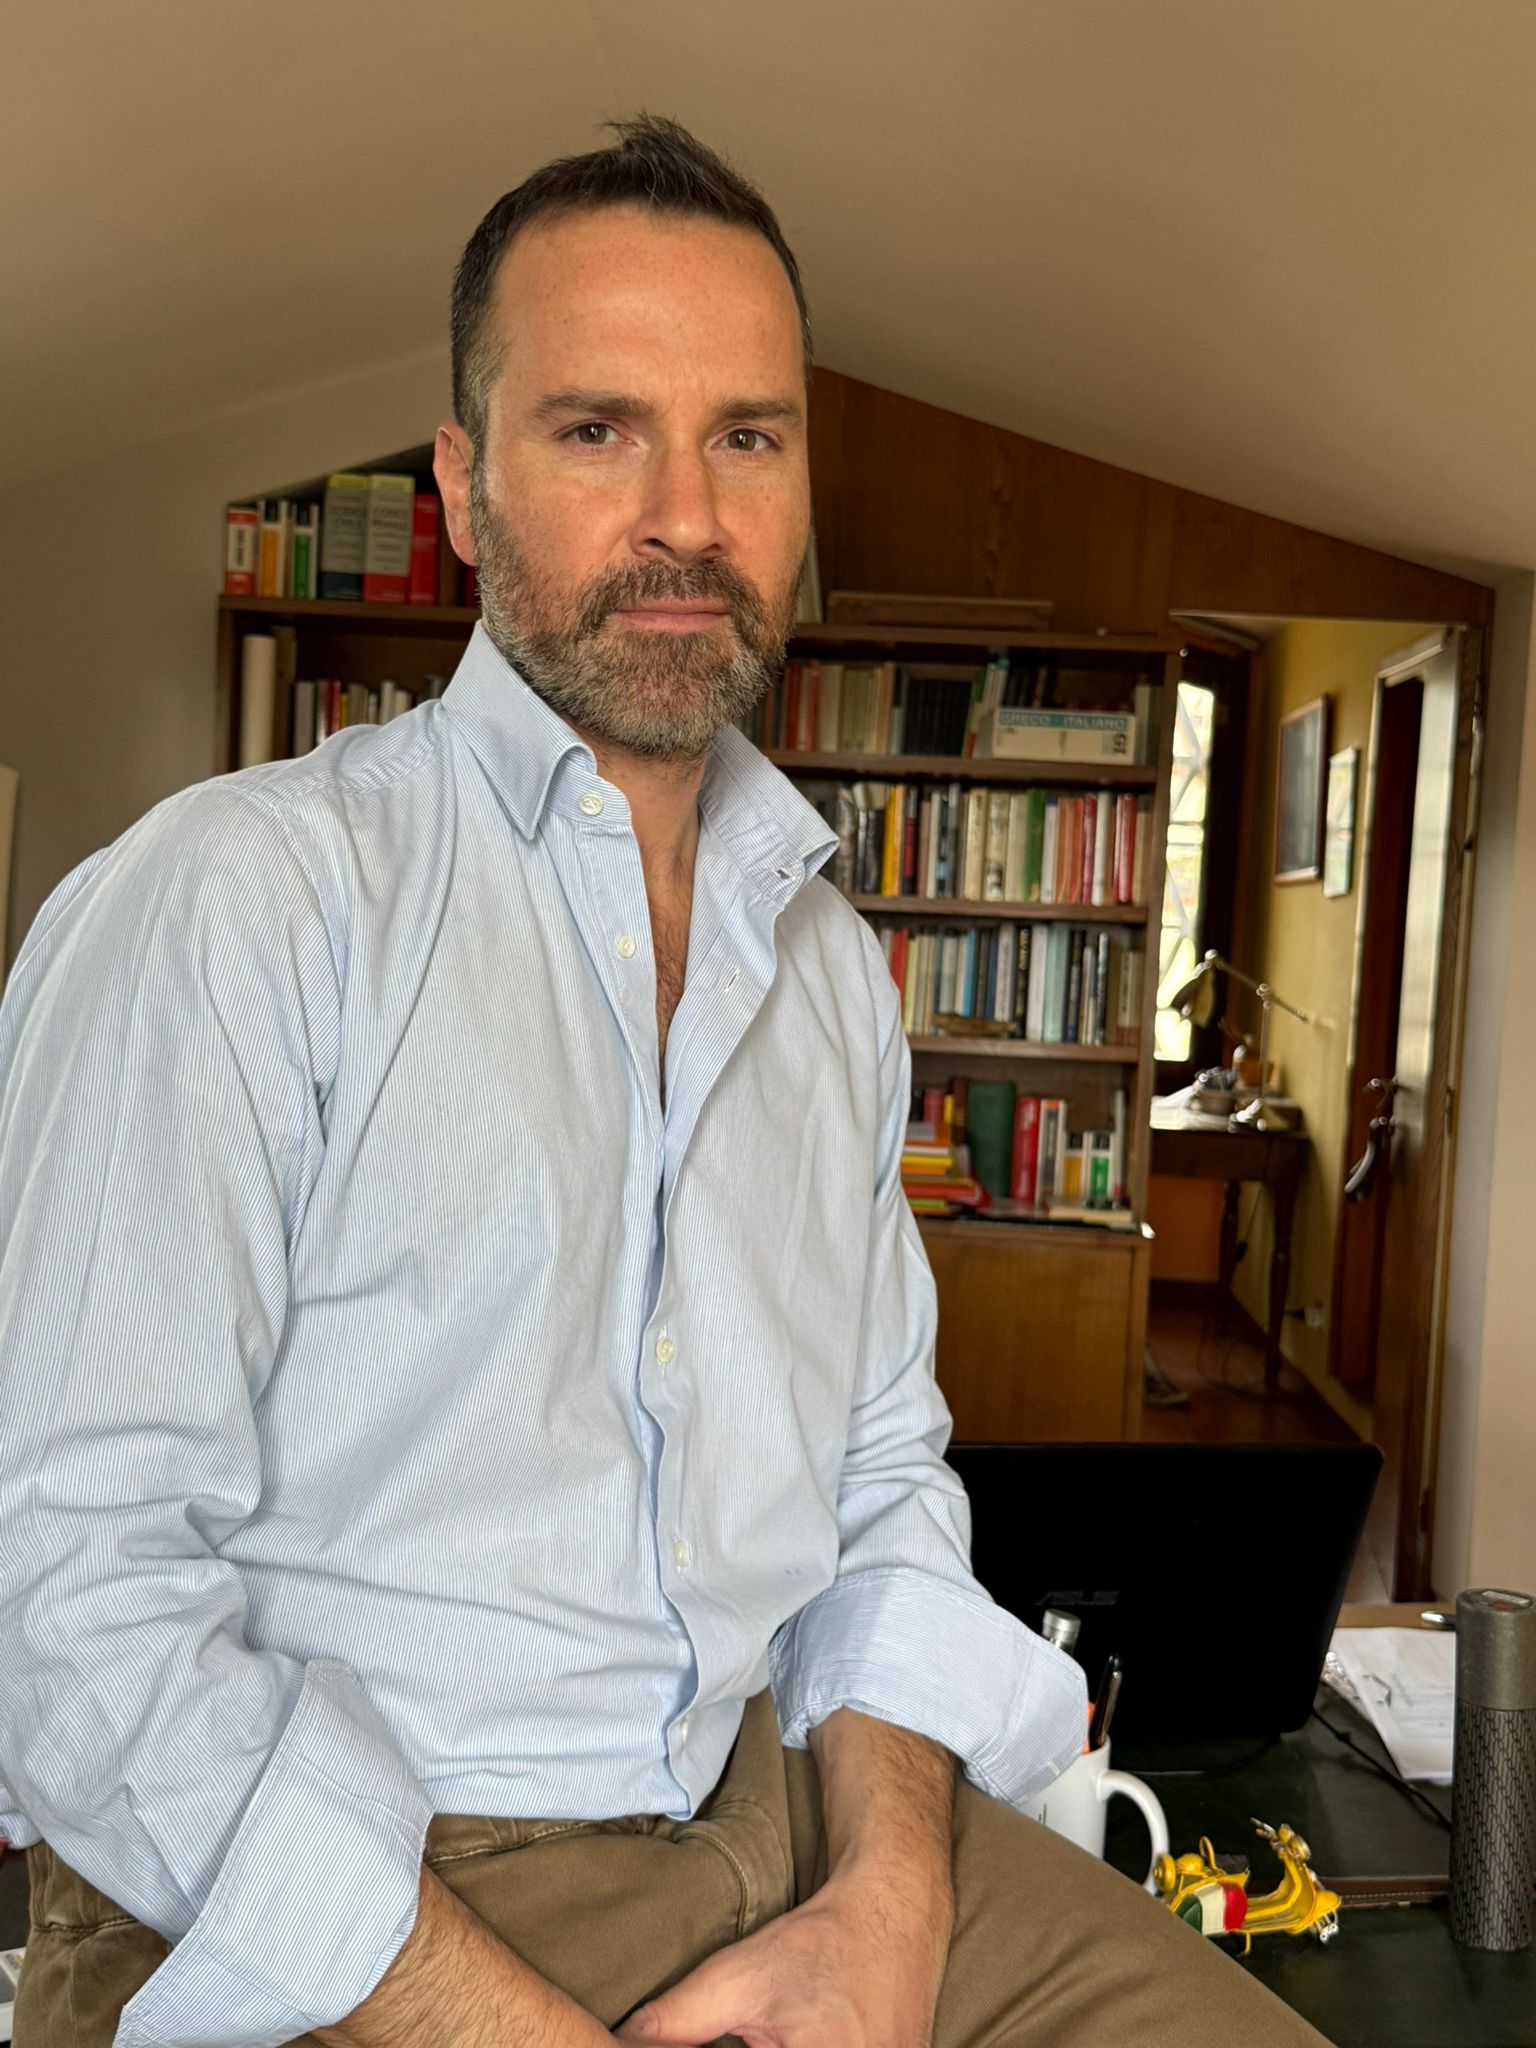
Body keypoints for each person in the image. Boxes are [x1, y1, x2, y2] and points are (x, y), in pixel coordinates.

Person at [0, 116, 1329, 2048]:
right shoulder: (240, 900)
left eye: (749, 437)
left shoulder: (829, 976)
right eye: (599, 429)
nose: (688, 517)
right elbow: (64, 1596)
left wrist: (885, 1907)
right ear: (464, 488)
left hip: (777, 1818)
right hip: (325, 1898)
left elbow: (879, 1488)